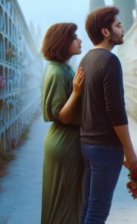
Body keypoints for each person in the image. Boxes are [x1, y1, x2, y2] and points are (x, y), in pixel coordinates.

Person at [79, 6, 137, 223]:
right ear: (106, 32)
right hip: (106, 147)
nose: (123, 29)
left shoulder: (86, 60)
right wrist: (129, 151)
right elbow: (115, 109)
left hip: (87, 144)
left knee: (88, 208)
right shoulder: (110, 61)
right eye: (118, 25)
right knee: (98, 212)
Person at [41, 23, 85, 224]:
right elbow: (63, 116)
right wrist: (76, 93)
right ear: (62, 42)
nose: (79, 40)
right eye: (74, 37)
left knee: (67, 200)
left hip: (66, 141)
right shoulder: (57, 72)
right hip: (64, 141)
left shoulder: (63, 67)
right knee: (64, 201)